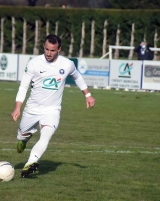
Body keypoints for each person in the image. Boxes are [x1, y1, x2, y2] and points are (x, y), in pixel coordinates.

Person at [11, 34, 96, 178]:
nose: (49, 53)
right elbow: (23, 86)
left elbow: (77, 76)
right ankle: (24, 139)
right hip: (32, 109)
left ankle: (30, 163)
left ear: (59, 49)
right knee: (21, 136)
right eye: (46, 49)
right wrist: (17, 107)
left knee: (46, 135)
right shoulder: (34, 63)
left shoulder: (67, 64)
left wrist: (88, 95)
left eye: (53, 50)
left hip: (52, 110)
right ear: (43, 47)